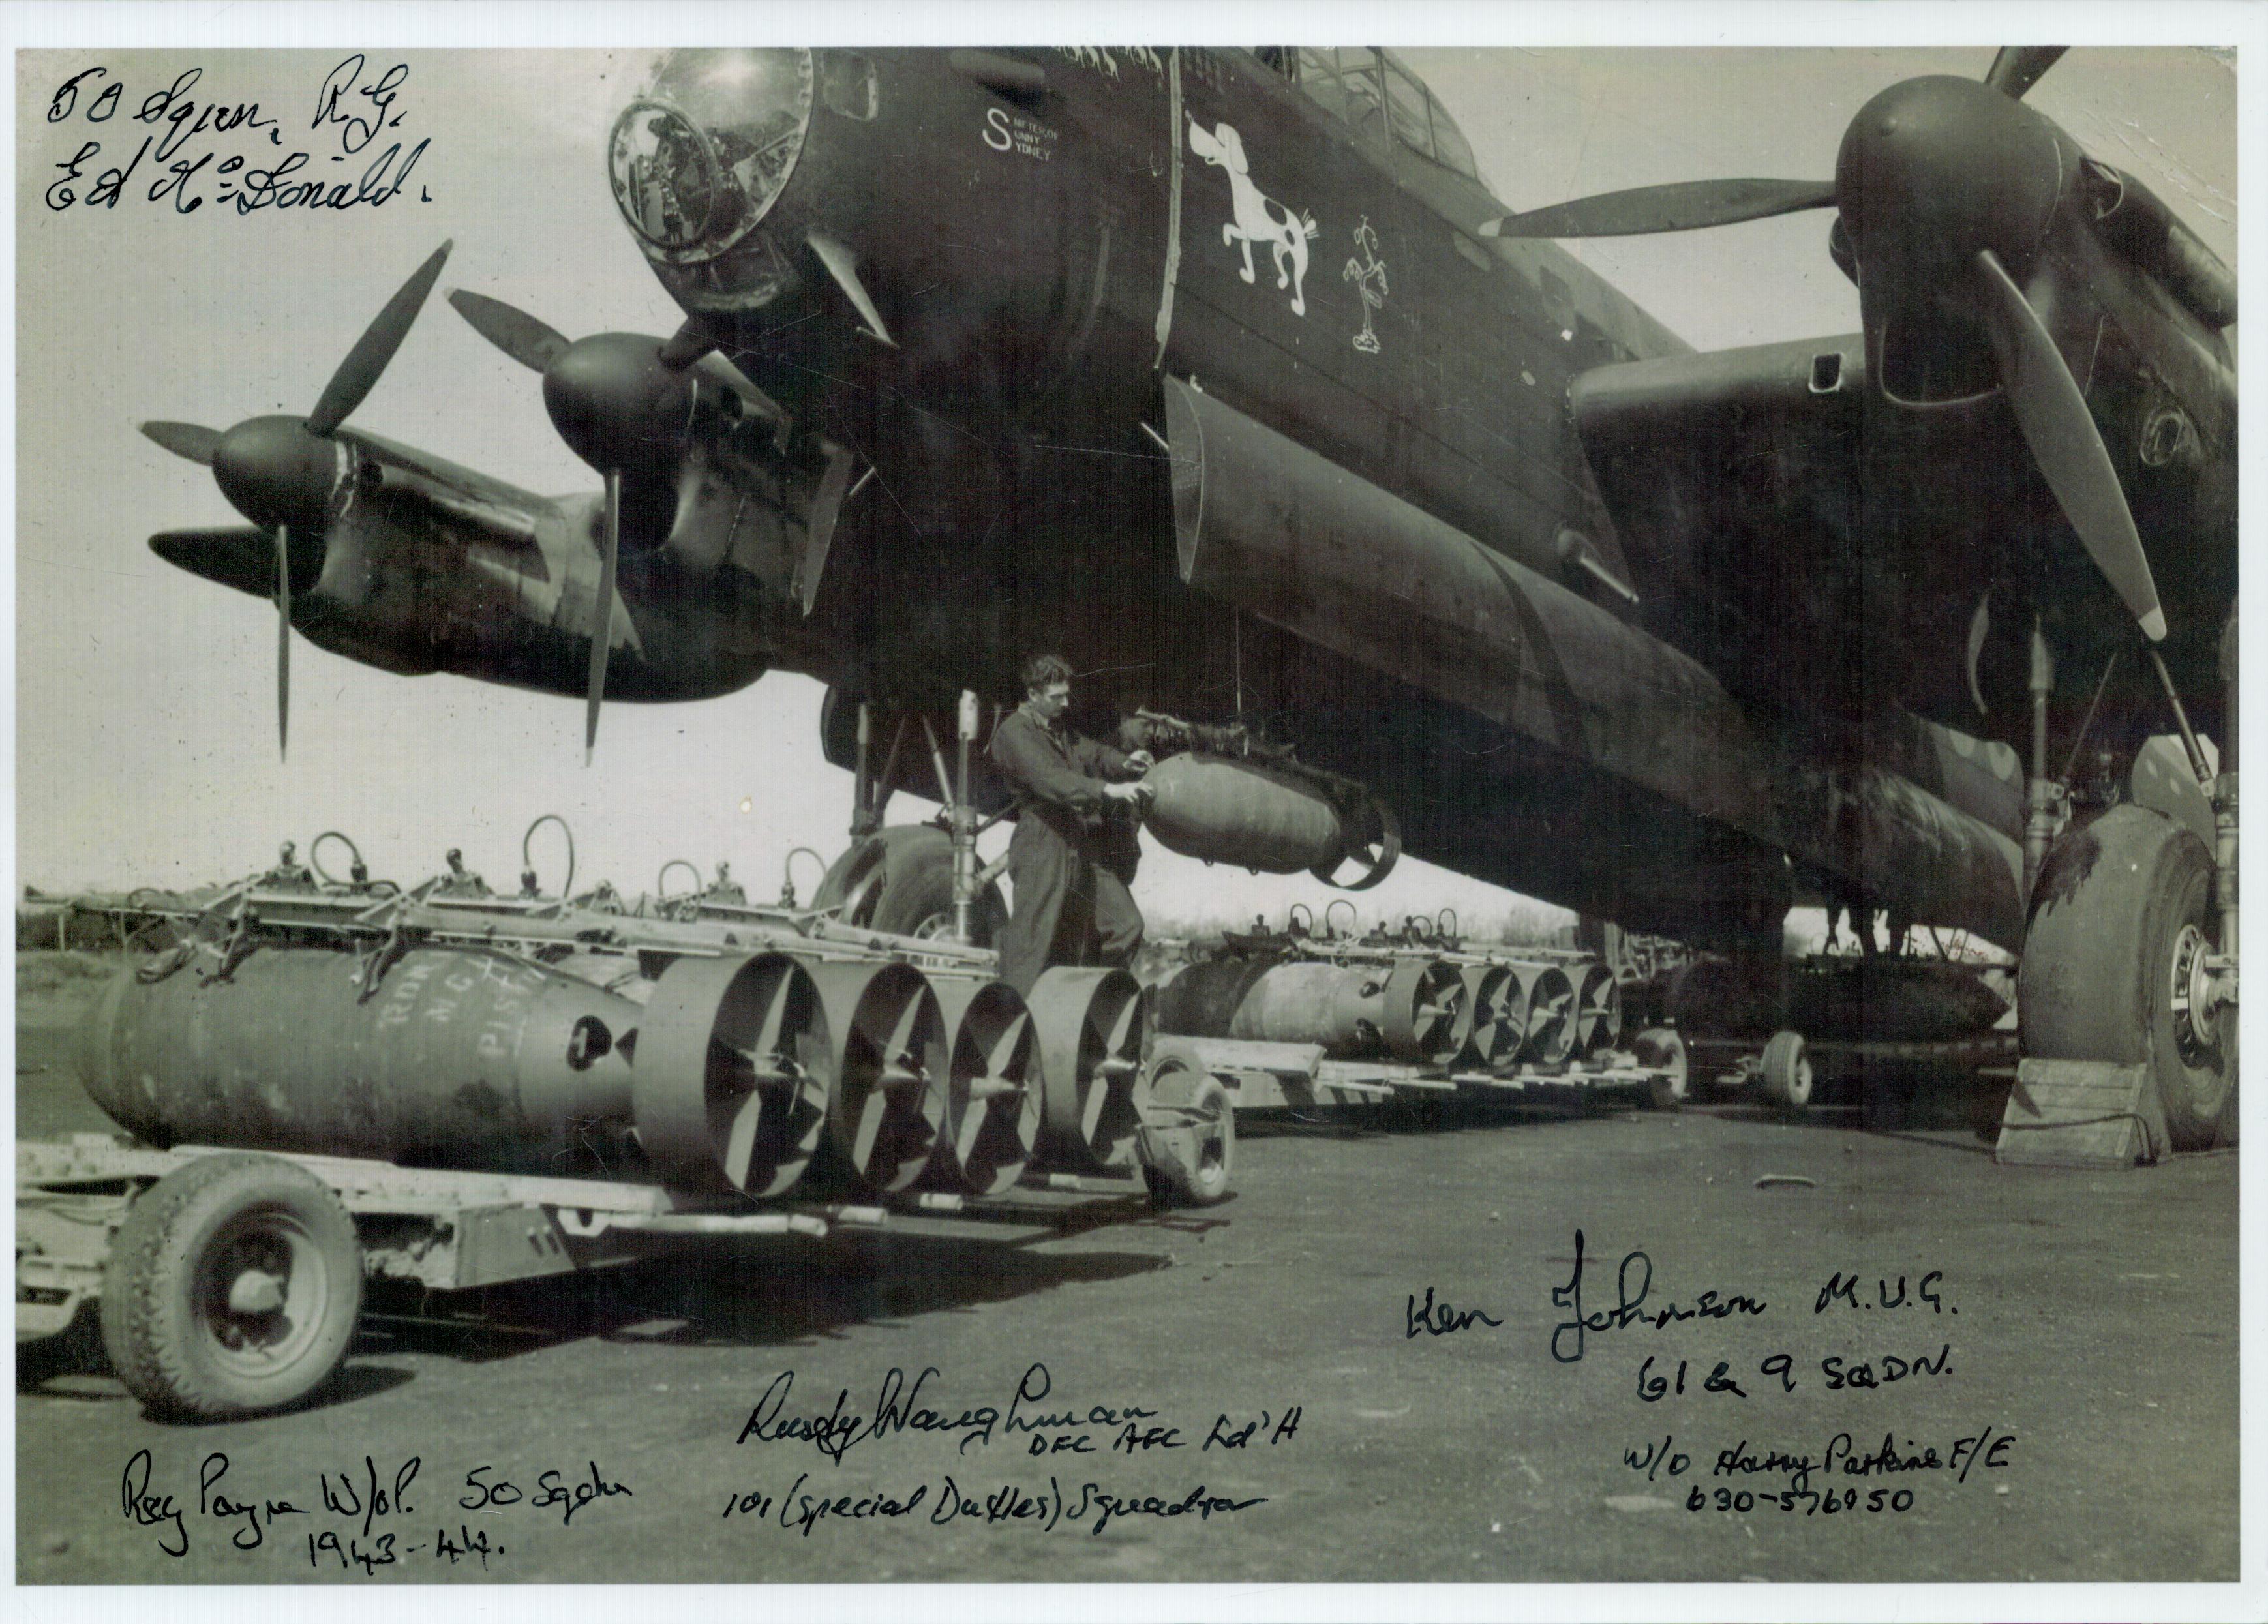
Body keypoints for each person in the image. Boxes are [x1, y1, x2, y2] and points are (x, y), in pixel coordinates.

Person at [988, 653, 1155, 996]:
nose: (1065, 703)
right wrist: (1107, 789)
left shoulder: (1060, 730)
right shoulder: (1013, 733)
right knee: (1032, 946)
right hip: (1042, 841)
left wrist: (1127, 763)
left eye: (1066, 694)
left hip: (1077, 843)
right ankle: (1012, 1024)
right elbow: (1051, 780)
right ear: (1033, 695)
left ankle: (1088, 1001)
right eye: (1056, 697)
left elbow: (1093, 753)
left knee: (1126, 925)